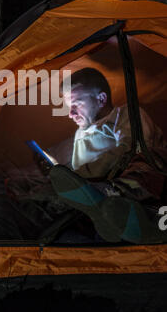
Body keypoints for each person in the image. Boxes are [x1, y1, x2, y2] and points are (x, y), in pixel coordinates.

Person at [45, 68, 167, 244]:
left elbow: (131, 148)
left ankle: (122, 205)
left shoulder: (127, 115)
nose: (70, 114)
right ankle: (105, 215)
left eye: (76, 104)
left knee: (147, 157)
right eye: (67, 107)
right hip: (98, 194)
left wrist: (82, 176)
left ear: (101, 99)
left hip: (140, 182)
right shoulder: (80, 134)